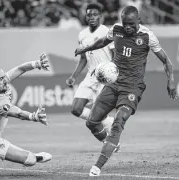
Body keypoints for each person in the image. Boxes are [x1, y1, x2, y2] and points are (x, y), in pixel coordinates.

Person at [75, 6, 178, 176]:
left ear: (139, 20)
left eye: (131, 24)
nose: (128, 27)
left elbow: (167, 61)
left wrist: (171, 82)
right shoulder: (116, 29)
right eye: (125, 24)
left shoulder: (147, 36)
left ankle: (97, 166)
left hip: (132, 88)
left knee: (119, 120)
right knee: (91, 122)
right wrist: (85, 49)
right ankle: (111, 144)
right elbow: (103, 42)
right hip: (113, 85)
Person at [66, 3, 116, 140]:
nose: (92, 17)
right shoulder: (82, 35)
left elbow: (115, 54)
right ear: (86, 17)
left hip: (104, 77)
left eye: (95, 14)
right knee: (76, 109)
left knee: (96, 116)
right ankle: (108, 122)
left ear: (100, 16)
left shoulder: (107, 32)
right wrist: (73, 76)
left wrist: (111, 71)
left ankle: (108, 141)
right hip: (90, 76)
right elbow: (83, 58)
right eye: (89, 15)